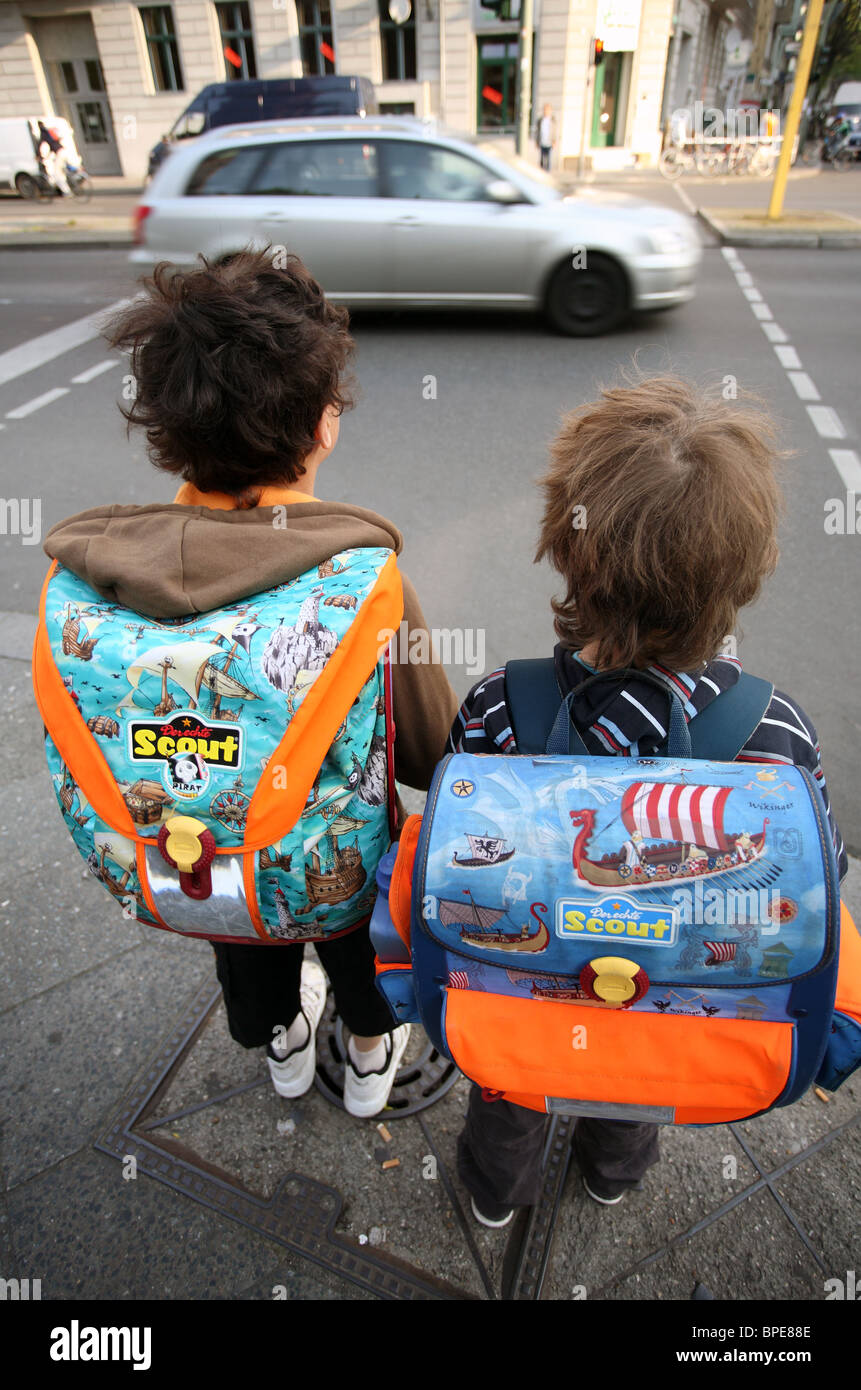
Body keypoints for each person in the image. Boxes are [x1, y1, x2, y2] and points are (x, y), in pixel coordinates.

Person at [42, 248, 459, 1117]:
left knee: (242, 933)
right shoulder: (367, 586)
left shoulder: (96, 580)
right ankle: (371, 1049)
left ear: (166, 437)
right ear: (324, 424)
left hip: (192, 861)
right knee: (349, 923)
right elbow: (428, 754)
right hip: (332, 871)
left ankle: (282, 1044)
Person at [446, 374, 848, 1227]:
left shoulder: (496, 705)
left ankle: (494, 1193)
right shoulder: (772, 732)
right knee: (630, 1091)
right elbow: (825, 867)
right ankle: (611, 1175)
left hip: (521, 1001)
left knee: (510, 1094)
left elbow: (456, 852)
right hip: (670, 1013)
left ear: (565, 545)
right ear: (746, 570)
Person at [37, 120, 70, 195]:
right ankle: (69, 180)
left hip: (59, 153)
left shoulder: (43, 133)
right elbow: (53, 146)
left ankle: (66, 191)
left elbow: (40, 144)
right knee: (61, 170)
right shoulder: (49, 131)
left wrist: (38, 156)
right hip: (63, 151)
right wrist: (48, 155)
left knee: (56, 173)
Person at [536, 103, 556, 172]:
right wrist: (537, 141)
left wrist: (554, 141)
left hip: (549, 142)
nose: (546, 112)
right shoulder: (541, 120)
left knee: (548, 159)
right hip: (542, 142)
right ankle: (542, 172)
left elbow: (554, 132)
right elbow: (538, 132)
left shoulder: (552, 120)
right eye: (545, 110)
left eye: (547, 110)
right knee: (542, 159)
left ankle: (547, 172)